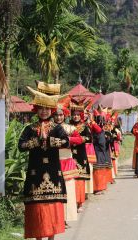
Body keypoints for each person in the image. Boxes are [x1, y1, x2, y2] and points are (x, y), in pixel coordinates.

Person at [19, 86, 69, 240]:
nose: (44, 112)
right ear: (36, 109)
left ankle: (51, 237)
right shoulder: (30, 128)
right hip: (35, 172)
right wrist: (34, 142)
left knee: (52, 206)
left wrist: (51, 141)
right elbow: (21, 146)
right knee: (37, 207)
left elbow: (66, 142)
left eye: (47, 109)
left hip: (53, 172)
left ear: (52, 110)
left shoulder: (57, 128)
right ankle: (38, 237)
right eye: (41, 108)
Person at [53, 97, 82, 226]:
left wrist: (67, 140)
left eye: (61, 115)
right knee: (56, 190)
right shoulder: (50, 127)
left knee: (69, 191)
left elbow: (80, 140)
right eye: (56, 115)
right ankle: (57, 218)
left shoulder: (70, 128)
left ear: (64, 115)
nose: (59, 118)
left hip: (67, 162)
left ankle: (66, 217)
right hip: (54, 162)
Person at [70, 99, 92, 212]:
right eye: (74, 115)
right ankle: (72, 202)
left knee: (80, 180)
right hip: (70, 155)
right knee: (71, 180)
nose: (75, 117)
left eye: (78, 115)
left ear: (81, 115)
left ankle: (80, 203)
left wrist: (78, 139)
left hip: (81, 155)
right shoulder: (67, 126)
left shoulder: (84, 127)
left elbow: (89, 138)